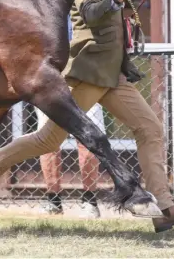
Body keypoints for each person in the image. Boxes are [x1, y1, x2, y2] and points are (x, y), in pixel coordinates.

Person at [0, 0, 174, 233]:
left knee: (150, 129)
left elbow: (118, 11)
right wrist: (115, 0)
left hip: (112, 76)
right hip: (87, 74)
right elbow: (88, 12)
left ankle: (163, 208)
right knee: (47, 141)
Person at [37, 15, 104, 218]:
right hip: (51, 78)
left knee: (90, 137)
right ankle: (53, 199)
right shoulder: (45, 2)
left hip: (85, 76)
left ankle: (90, 199)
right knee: (47, 140)